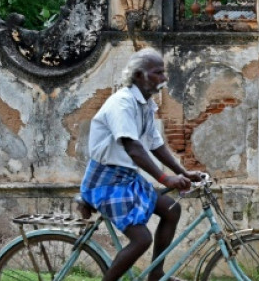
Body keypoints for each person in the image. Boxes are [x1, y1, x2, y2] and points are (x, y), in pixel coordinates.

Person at [80, 48, 201, 281]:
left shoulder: (145, 105)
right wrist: (166, 179)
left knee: (172, 209)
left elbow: (156, 145)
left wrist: (183, 172)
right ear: (138, 76)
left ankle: (155, 275)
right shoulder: (122, 104)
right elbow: (133, 147)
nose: (164, 78)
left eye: (163, 73)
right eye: (157, 73)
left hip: (125, 179)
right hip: (105, 182)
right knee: (142, 239)